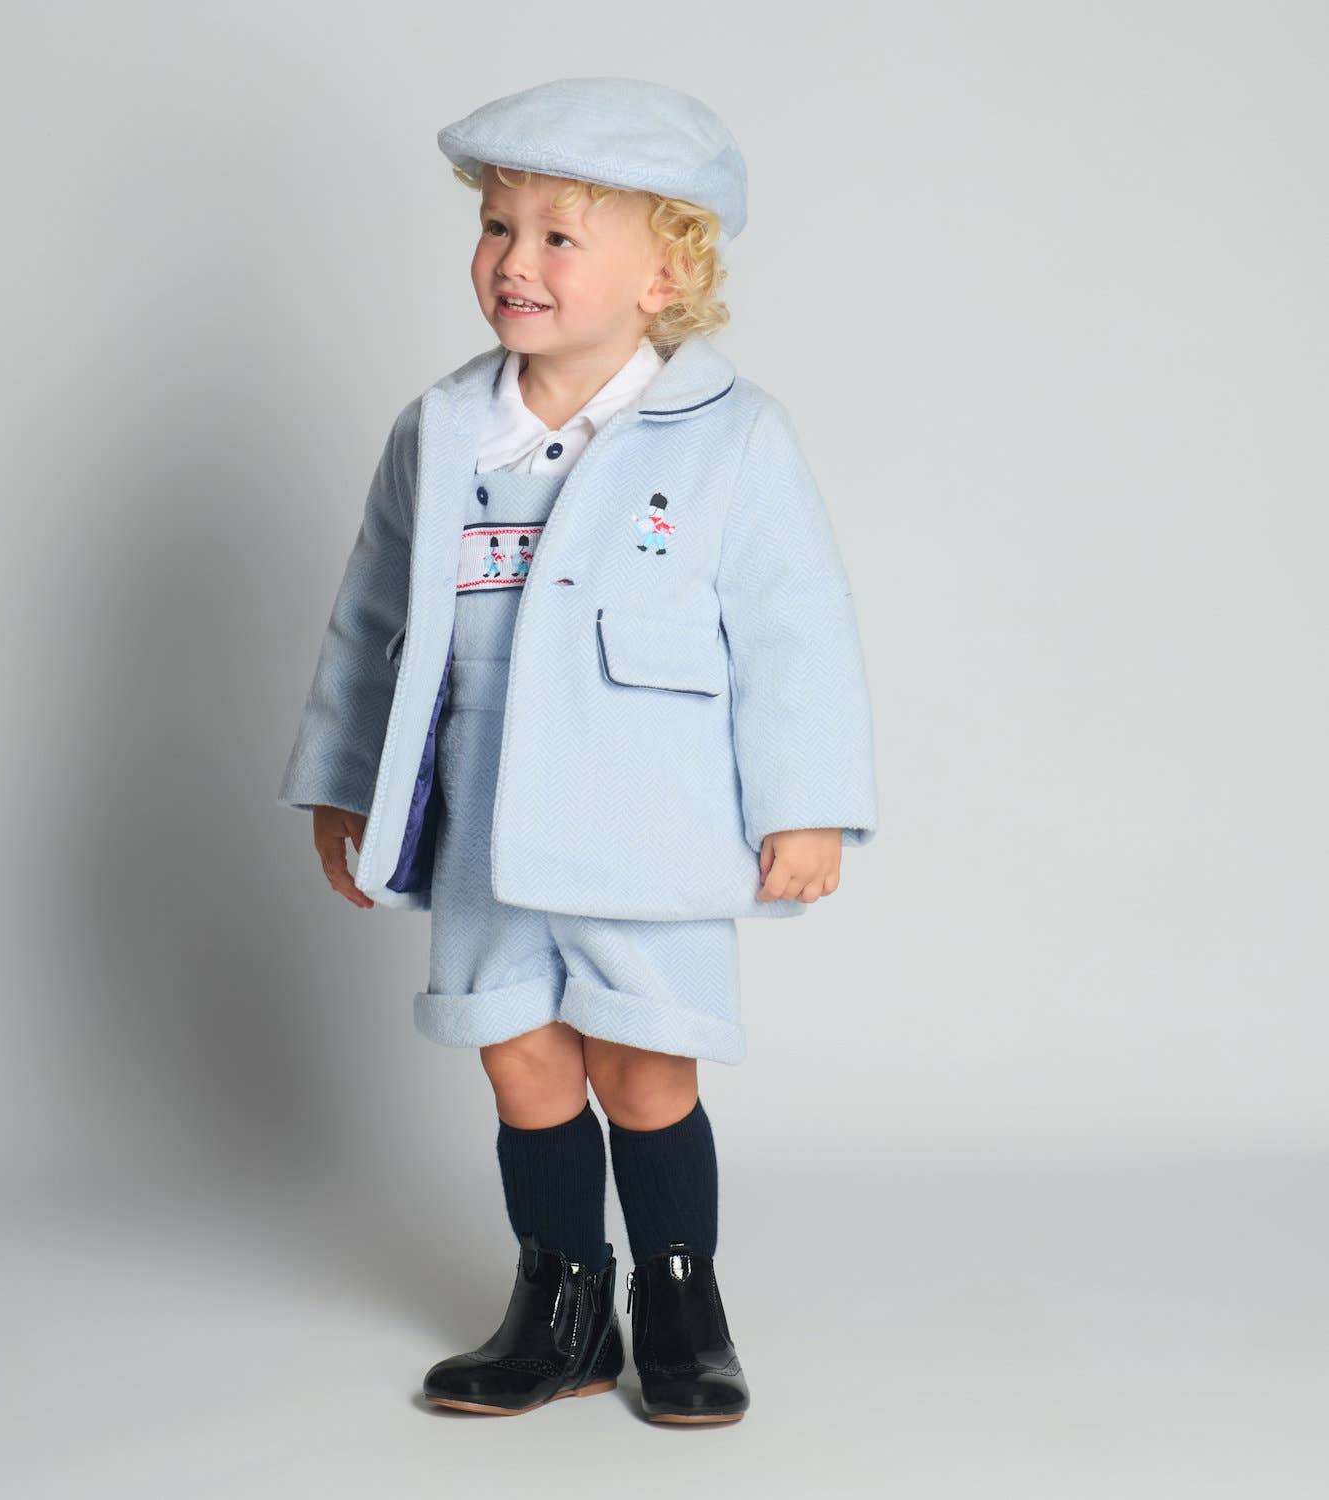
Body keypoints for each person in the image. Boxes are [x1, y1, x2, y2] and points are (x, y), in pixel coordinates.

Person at [277, 76, 878, 1424]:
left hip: (645, 810)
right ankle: (560, 1308)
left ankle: (681, 1305)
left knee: (646, 1064)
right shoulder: (442, 433)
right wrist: (343, 781)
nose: (515, 261)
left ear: (665, 277)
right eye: (498, 228)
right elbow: (372, 613)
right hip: (482, 810)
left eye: (559, 237)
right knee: (520, 1057)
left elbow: (795, 629)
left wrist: (806, 805)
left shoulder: (732, 438)